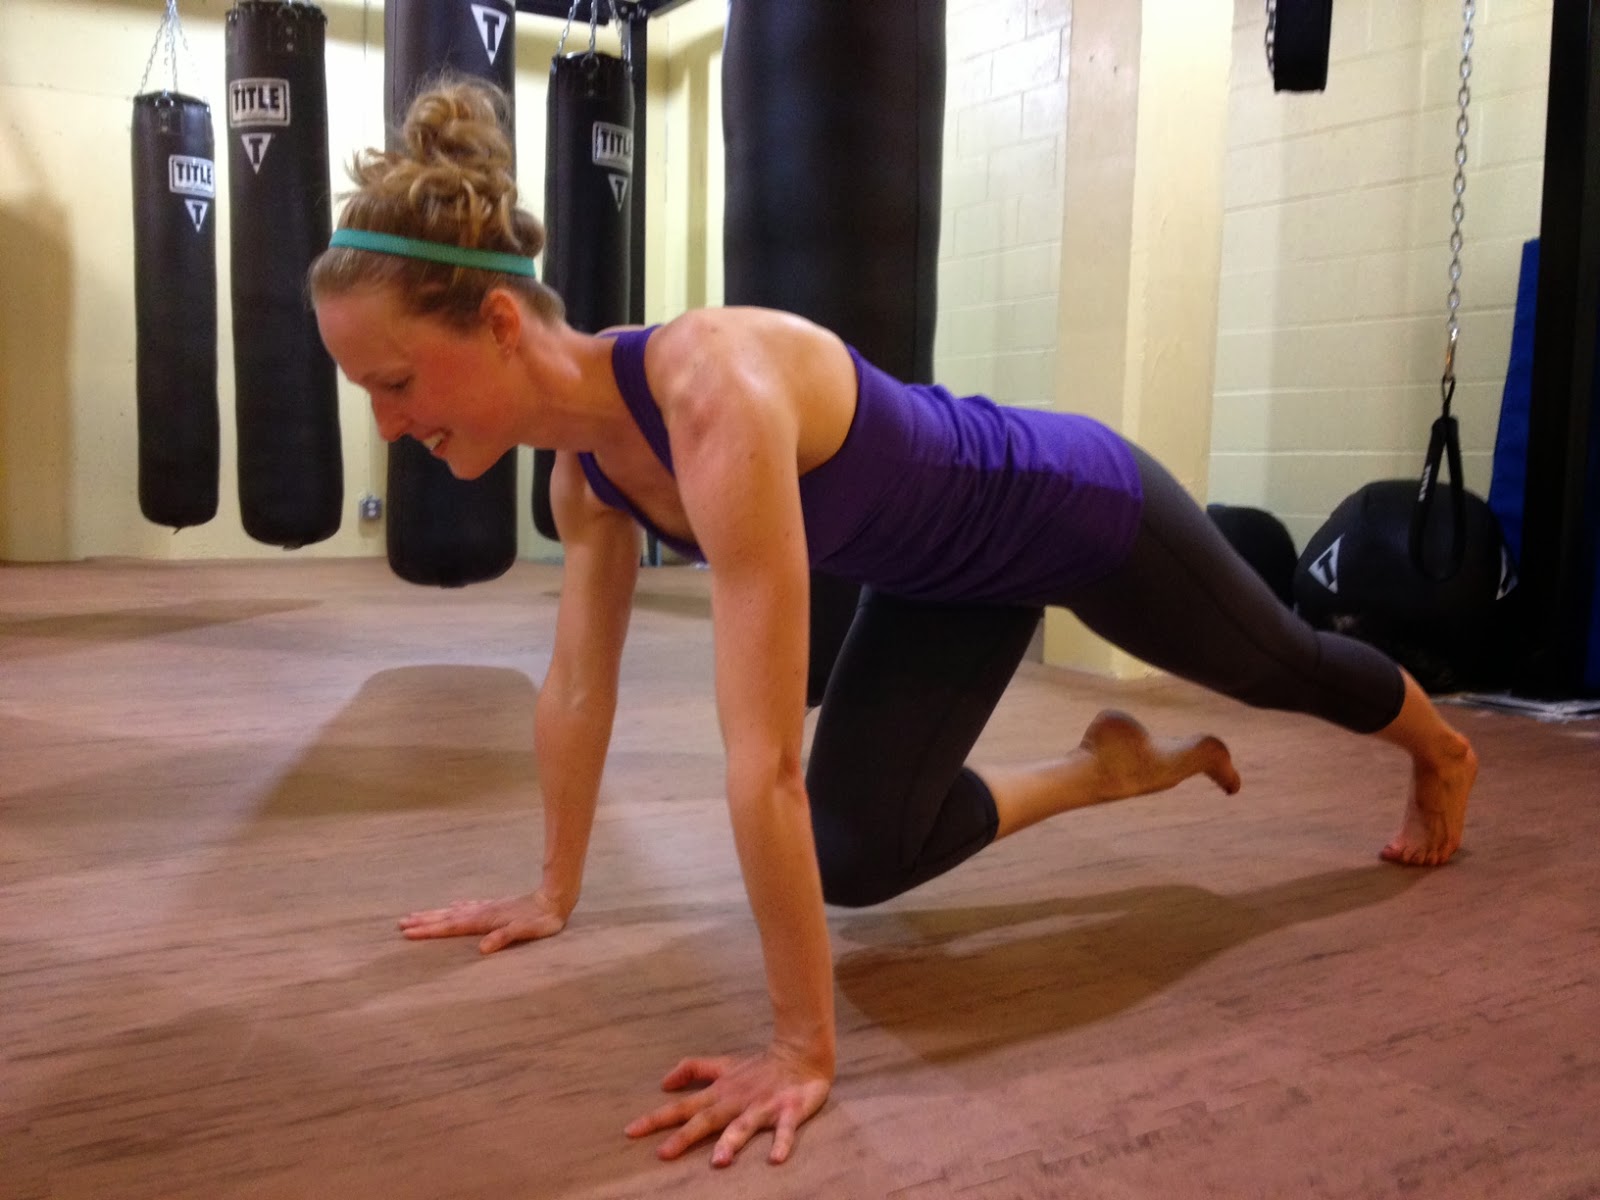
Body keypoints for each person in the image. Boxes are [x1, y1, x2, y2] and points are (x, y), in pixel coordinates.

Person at [309, 82, 1476, 1169]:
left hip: (1076, 509)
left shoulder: (710, 391)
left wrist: (800, 1049)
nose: (389, 424)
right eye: (368, 395)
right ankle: (1106, 768)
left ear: (499, 321)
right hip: (943, 584)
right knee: (854, 854)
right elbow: (574, 687)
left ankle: (1440, 748)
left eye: (395, 383)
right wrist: (550, 890)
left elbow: (762, 761)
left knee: (1278, 663)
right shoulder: (586, 475)